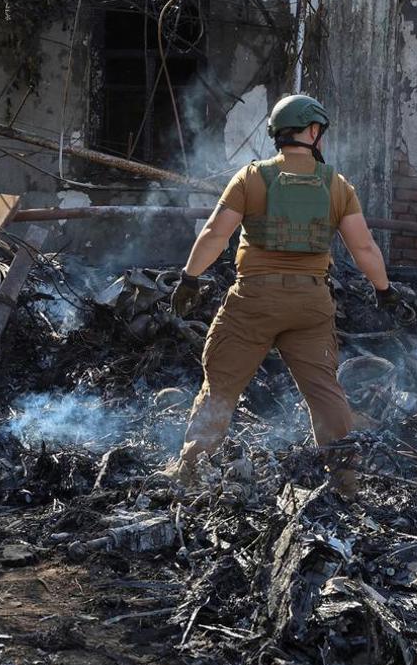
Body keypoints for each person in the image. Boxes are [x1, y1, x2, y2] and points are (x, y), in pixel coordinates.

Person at [166, 94, 404, 486]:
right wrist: (385, 290)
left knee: (221, 387)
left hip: (253, 302)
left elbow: (214, 234)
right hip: (311, 305)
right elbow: (363, 247)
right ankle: (344, 482)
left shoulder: (251, 178)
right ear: (311, 131)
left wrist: (189, 278)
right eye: (319, 131)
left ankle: (191, 471)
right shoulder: (337, 185)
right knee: (324, 393)